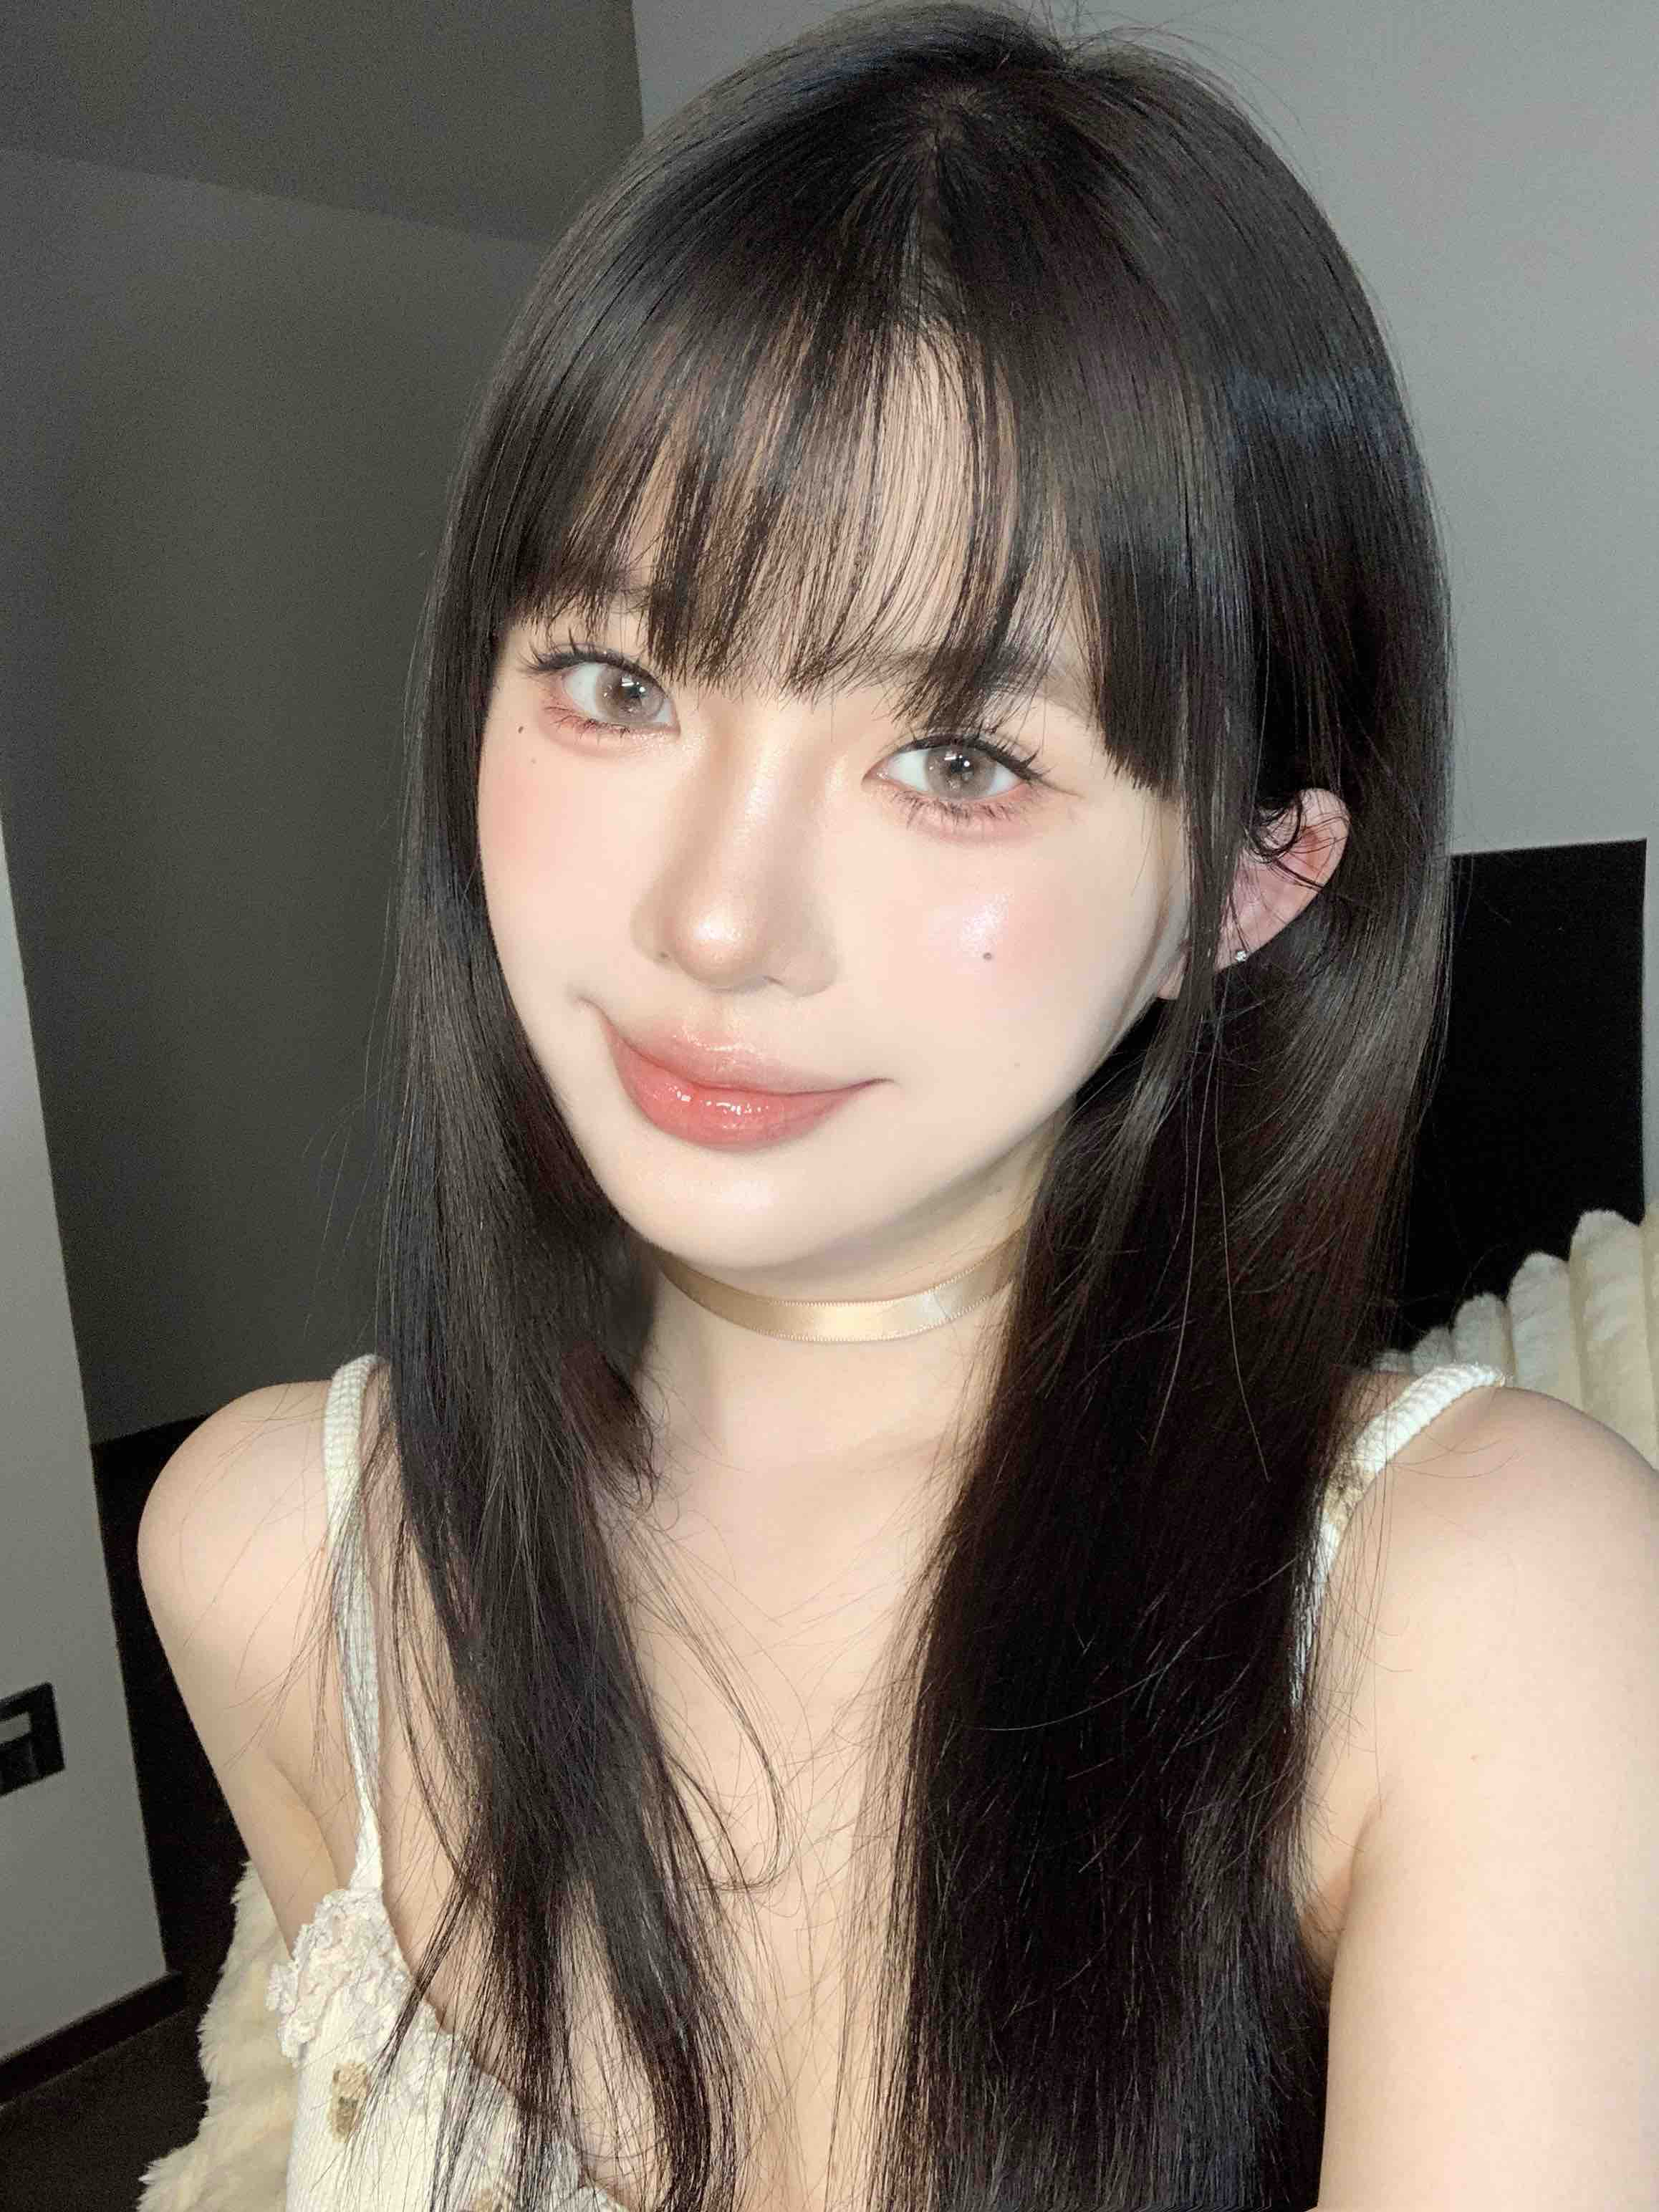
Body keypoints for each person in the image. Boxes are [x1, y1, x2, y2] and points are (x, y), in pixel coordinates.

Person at [138, 4, 1659, 2208]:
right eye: (615, 680)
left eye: (956, 757)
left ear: (1244, 882)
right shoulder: (279, 1560)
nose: (713, 918)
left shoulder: (1473, 1610)